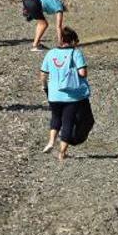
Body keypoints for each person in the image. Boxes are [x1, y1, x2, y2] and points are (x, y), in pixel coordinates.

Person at [40, 27, 91, 160]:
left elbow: (43, 74)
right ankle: (62, 153)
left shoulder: (50, 53)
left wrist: (45, 87)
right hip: (71, 95)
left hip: (53, 94)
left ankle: (51, 141)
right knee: (67, 122)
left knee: (56, 117)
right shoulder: (76, 53)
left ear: (61, 39)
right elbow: (82, 73)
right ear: (73, 40)